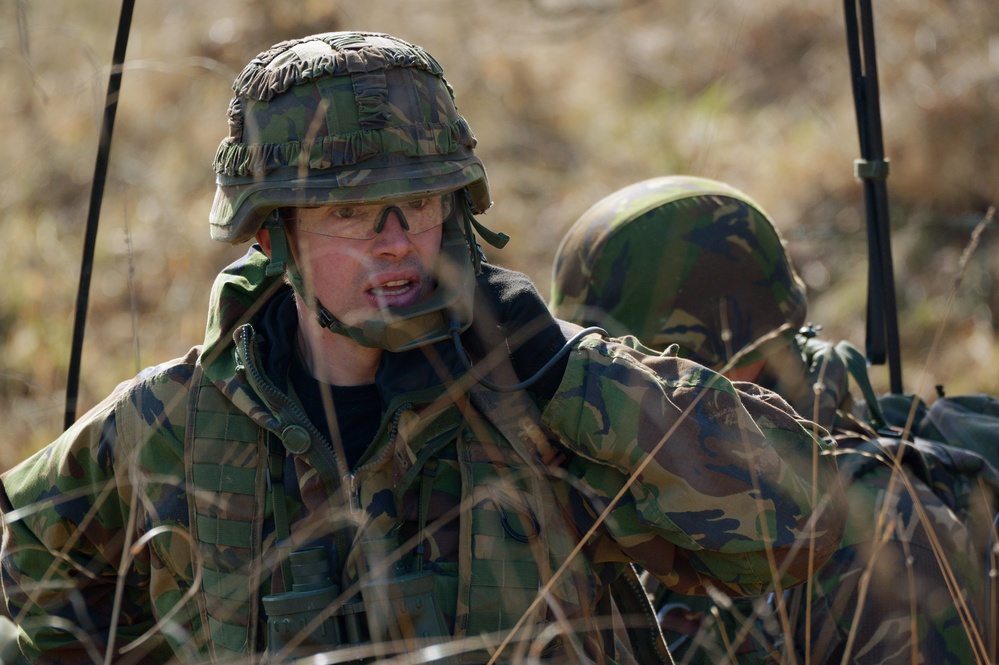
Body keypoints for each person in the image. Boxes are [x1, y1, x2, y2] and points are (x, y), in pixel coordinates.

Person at [0, 34, 845, 664]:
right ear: (271, 236)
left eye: (422, 204)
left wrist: (566, 373)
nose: (398, 243)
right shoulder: (169, 423)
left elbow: (809, 529)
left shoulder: (548, 398)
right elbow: (24, 568)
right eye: (350, 214)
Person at [550, 174, 997, 664]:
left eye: (632, 360)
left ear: (718, 356)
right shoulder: (623, 472)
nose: (619, 379)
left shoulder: (878, 530)